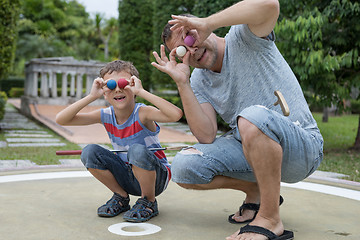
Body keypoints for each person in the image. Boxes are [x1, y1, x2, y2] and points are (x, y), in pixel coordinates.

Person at [151, 0, 323, 239]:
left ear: (201, 29)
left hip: (303, 147)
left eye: (190, 37)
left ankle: (270, 219)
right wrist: (183, 83)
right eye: (181, 50)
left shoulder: (243, 37)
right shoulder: (199, 80)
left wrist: (208, 22)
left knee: (252, 116)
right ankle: (255, 190)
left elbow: (270, 5)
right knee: (183, 166)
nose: (192, 50)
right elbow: (206, 135)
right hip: (253, 146)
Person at [56, 60, 183, 222]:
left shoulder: (143, 113)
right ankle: (121, 197)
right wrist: (91, 96)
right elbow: (62, 119)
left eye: (124, 84)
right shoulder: (105, 115)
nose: (117, 89)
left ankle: (149, 201)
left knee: (136, 150)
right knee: (90, 151)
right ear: (104, 92)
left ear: (133, 87)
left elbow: (176, 115)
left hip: (156, 178)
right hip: (127, 175)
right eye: (110, 85)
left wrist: (142, 91)